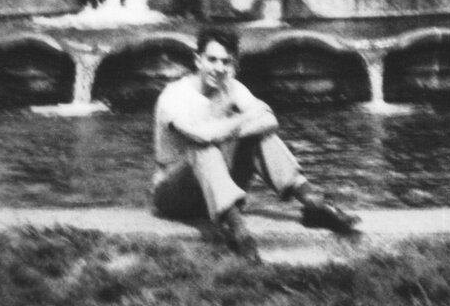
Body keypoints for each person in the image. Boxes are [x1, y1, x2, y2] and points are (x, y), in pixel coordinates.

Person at [152, 26, 360, 262]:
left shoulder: (232, 88)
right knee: (203, 148)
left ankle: (314, 202)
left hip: (216, 189)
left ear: (233, 65)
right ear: (198, 61)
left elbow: (270, 120)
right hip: (174, 195)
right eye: (212, 60)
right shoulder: (174, 96)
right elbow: (202, 137)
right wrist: (242, 119)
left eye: (226, 62)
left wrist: (233, 130)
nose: (219, 68)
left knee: (259, 136)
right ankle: (237, 229)